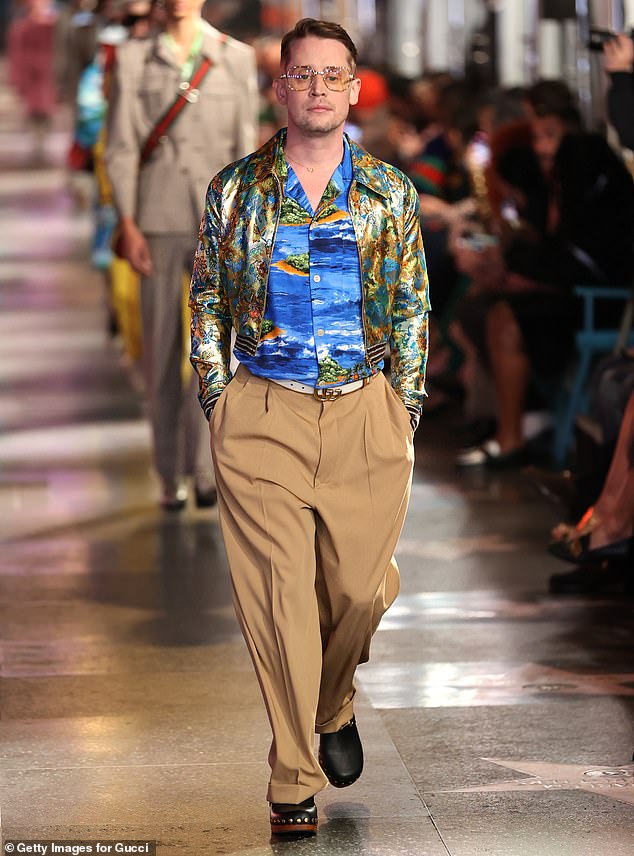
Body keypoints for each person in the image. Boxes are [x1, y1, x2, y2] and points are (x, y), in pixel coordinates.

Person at [189, 18, 429, 836]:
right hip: (264, 411)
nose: (318, 88)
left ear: (354, 89)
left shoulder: (390, 192)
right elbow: (207, 299)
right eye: (303, 74)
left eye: (333, 75)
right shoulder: (235, 189)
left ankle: (333, 702)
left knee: (361, 589)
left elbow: (412, 306)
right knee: (280, 602)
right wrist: (218, 399)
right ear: (280, 88)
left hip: (366, 409)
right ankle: (293, 777)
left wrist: (404, 409)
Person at [105, 0, 257, 510]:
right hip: (156, 219)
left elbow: (244, 150)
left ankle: (207, 468)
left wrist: (242, 226)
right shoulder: (132, 57)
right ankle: (169, 472)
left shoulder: (234, 56)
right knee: (161, 350)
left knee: (216, 350)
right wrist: (128, 221)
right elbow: (121, 145)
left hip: (217, 224)